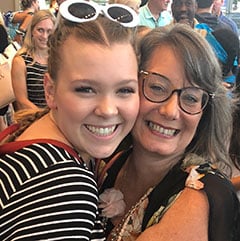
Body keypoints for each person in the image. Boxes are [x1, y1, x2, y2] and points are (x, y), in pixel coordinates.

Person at [0, 0, 140, 240]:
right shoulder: (62, 188)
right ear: (50, 91)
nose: (107, 110)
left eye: (124, 90)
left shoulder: (36, 135)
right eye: (85, 89)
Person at [97, 24, 240, 241]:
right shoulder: (109, 163)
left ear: (204, 114)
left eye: (191, 98)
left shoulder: (199, 196)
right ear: (128, 88)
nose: (170, 111)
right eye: (157, 87)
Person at [11, 10, 55, 111]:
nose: (44, 36)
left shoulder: (58, 59)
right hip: (32, 119)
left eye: (49, 31)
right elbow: (22, 101)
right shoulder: (20, 61)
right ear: (31, 31)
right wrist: (46, 118)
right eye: (40, 30)